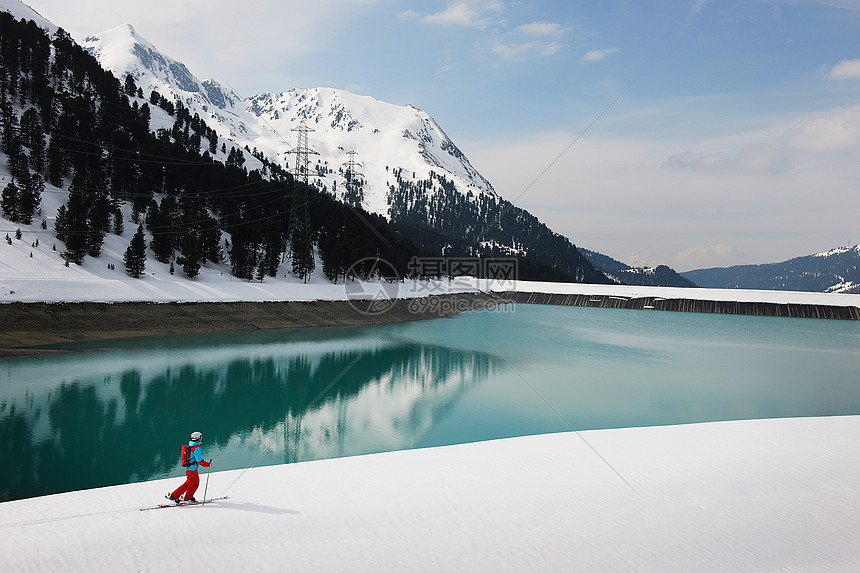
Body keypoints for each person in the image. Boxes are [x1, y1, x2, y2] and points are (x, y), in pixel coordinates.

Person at [168, 431, 211, 503]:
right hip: (191, 469)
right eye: (200, 437)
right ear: (198, 438)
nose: (201, 439)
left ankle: (188, 496)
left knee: (195, 482)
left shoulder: (191, 445)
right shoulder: (196, 447)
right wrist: (207, 464)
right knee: (188, 484)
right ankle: (174, 496)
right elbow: (199, 460)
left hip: (192, 468)